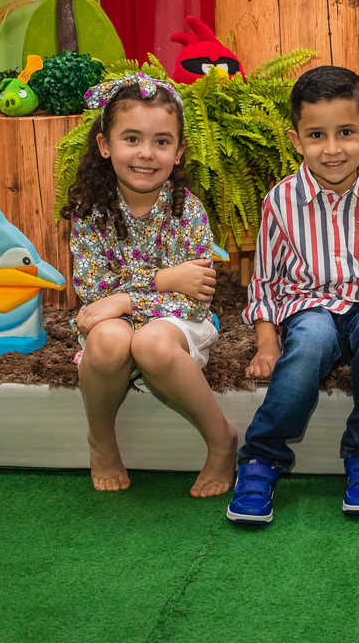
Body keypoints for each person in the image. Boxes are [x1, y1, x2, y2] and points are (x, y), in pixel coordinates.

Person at [227, 66, 359, 525]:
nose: (332, 148)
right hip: (309, 307)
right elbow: (265, 281)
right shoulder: (280, 201)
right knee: (312, 339)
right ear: (296, 140)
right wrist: (266, 344)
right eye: (316, 135)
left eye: (346, 133)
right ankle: (261, 457)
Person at [64, 74, 237, 497]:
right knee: (109, 339)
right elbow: (94, 293)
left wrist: (126, 297)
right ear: (105, 145)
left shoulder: (188, 211)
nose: (146, 153)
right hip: (116, 324)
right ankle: (101, 440)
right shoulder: (89, 212)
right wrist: (163, 280)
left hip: (176, 326)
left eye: (161, 141)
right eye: (132, 138)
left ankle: (222, 440)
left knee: (152, 343)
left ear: (178, 152)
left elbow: (194, 299)